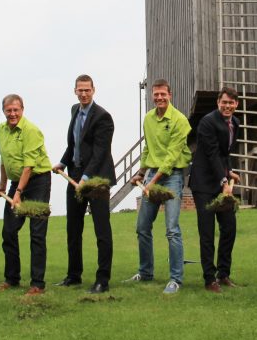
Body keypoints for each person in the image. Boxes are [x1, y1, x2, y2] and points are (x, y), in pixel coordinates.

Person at [52, 75, 116, 294]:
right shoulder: (74, 110)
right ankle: (74, 275)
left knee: (101, 230)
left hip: (96, 179)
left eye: (87, 90)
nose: (83, 93)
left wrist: (85, 180)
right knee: (73, 228)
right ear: (75, 91)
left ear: (93, 90)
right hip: (75, 175)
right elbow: (74, 144)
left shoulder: (103, 117)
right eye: (80, 90)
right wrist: (62, 161)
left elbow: (100, 153)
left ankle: (102, 280)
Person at [129, 79, 191, 295]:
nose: (159, 98)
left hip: (172, 175)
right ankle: (145, 272)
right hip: (153, 173)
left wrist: (152, 182)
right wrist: (140, 172)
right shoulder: (148, 119)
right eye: (156, 95)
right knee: (142, 227)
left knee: (172, 229)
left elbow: (172, 156)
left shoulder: (180, 120)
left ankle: (175, 279)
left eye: (163, 94)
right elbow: (148, 149)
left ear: (170, 95)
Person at [0, 94, 52, 296]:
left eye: (16, 110)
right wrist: (2, 185)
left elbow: (29, 166)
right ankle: (12, 278)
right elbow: (4, 159)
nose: (12, 114)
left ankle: (37, 284)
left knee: (37, 232)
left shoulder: (31, 131)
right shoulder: (1, 130)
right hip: (15, 182)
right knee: (9, 230)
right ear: (3, 111)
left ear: (22, 110)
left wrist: (18, 193)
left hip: (37, 182)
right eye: (8, 110)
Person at [189, 87, 241, 292]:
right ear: (218, 103)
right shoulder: (207, 122)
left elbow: (225, 153)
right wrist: (223, 181)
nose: (227, 106)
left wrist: (230, 171)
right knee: (207, 231)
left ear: (236, 104)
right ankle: (209, 279)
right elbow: (210, 153)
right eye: (224, 102)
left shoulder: (235, 123)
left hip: (222, 180)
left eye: (231, 103)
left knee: (229, 228)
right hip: (203, 183)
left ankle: (224, 274)